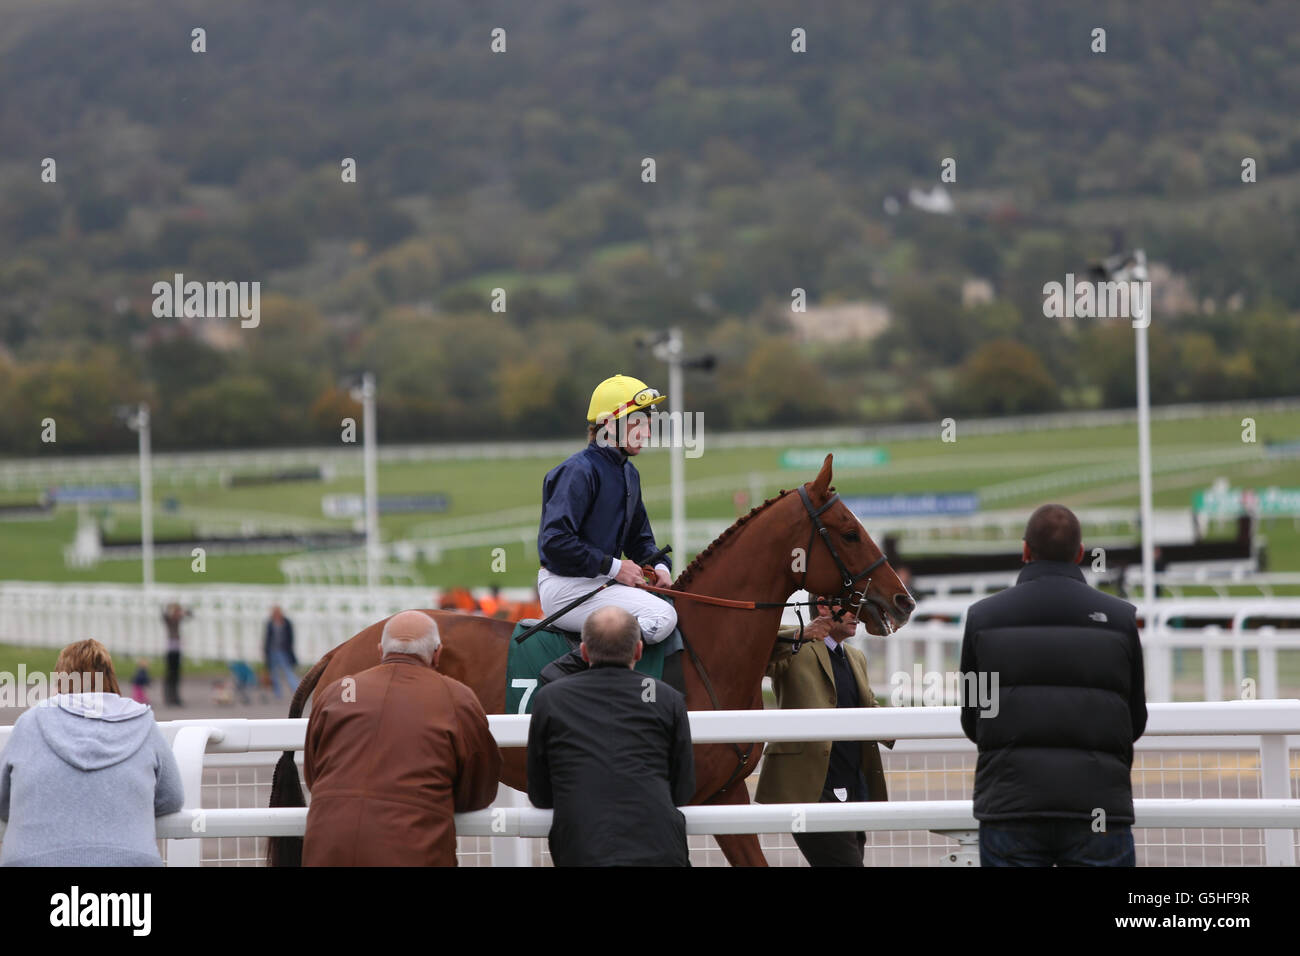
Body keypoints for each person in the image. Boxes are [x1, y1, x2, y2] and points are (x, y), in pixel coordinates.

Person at [960, 503, 1148, 867]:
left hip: (1010, 808)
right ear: (1079, 553)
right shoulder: (1120, 618)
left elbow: (974, 720)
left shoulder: (982, 617)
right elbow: (1134, 721)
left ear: (1025, 550)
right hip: (1098, 808)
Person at [303, 610, 502, 866]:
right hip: (414, 850)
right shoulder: (458, 698)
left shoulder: (337, 692)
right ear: (438, 653)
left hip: (325, 849)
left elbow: (314, 776)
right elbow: (478, 791)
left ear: (380, 651)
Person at [526, 606, 694, 866]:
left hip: (582, 849)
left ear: (583, 652)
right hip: (660, 848)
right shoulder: (667, 698)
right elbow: (682, 791)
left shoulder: (550, 698)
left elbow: (540, 795)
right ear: (638, 650)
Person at [535, 374, 677, 680]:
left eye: (648, 421)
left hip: (598, 581)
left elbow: (641, 542)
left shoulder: (629, 474)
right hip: (565, 585)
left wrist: (661, 567)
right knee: (661, 615)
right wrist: (614, 568)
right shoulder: (577, 471)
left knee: (677, 603)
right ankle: (567, 671)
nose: (647, 430)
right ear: (610, 425)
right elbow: (554, 543)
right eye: (639, 421)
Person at [0, 639, 184, 866]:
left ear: (61, 680)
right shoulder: (143, 722)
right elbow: (172, 798)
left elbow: (3, 800)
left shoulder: (30, 722)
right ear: (110, 678)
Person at [755, 597, 893, 867]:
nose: (858, 614)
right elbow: (754, 652)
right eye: (852, 606)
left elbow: (869, 707)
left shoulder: (856, 657)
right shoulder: (797, 647)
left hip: (853, 785)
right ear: (823, 607)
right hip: (810, 787)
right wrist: (800, 634)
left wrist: (913, 722)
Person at [263, 605, 298, 699]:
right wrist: (265, 651)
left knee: (288, 671)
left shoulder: (286, 623)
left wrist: (289, 650)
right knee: (274, 674)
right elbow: (267, 638)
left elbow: (290, 638)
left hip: (283, 651)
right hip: (272, 651)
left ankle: (297, 691)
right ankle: (278, 693)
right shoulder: (270, 623)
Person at [161, 602, 191, 707]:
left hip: (177, 650)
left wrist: (183, 612)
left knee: (176, 675)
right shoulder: (169, 620)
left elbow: (190, 614)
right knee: (170, 674)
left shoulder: (177, 620)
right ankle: (169, 697)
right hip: (171, 651)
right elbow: (164, 615)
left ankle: (175, 697)